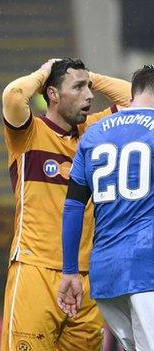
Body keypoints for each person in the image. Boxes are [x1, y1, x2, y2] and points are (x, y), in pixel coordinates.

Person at [0, 58, 132, 350]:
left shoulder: (95, 133)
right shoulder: (28, 134)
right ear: (53, 95)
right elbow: (13, 95)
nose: (90, 94)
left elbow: (138, 100)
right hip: (35, 268)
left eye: (90, 87)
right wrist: (46, 72)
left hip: (86, 276)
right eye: (78, 88)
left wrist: (89, 76)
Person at [59, 65, 154, 351]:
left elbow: (73, 206)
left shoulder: (93, 135)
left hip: (106, 274)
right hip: (147, 267)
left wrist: (70, 271)